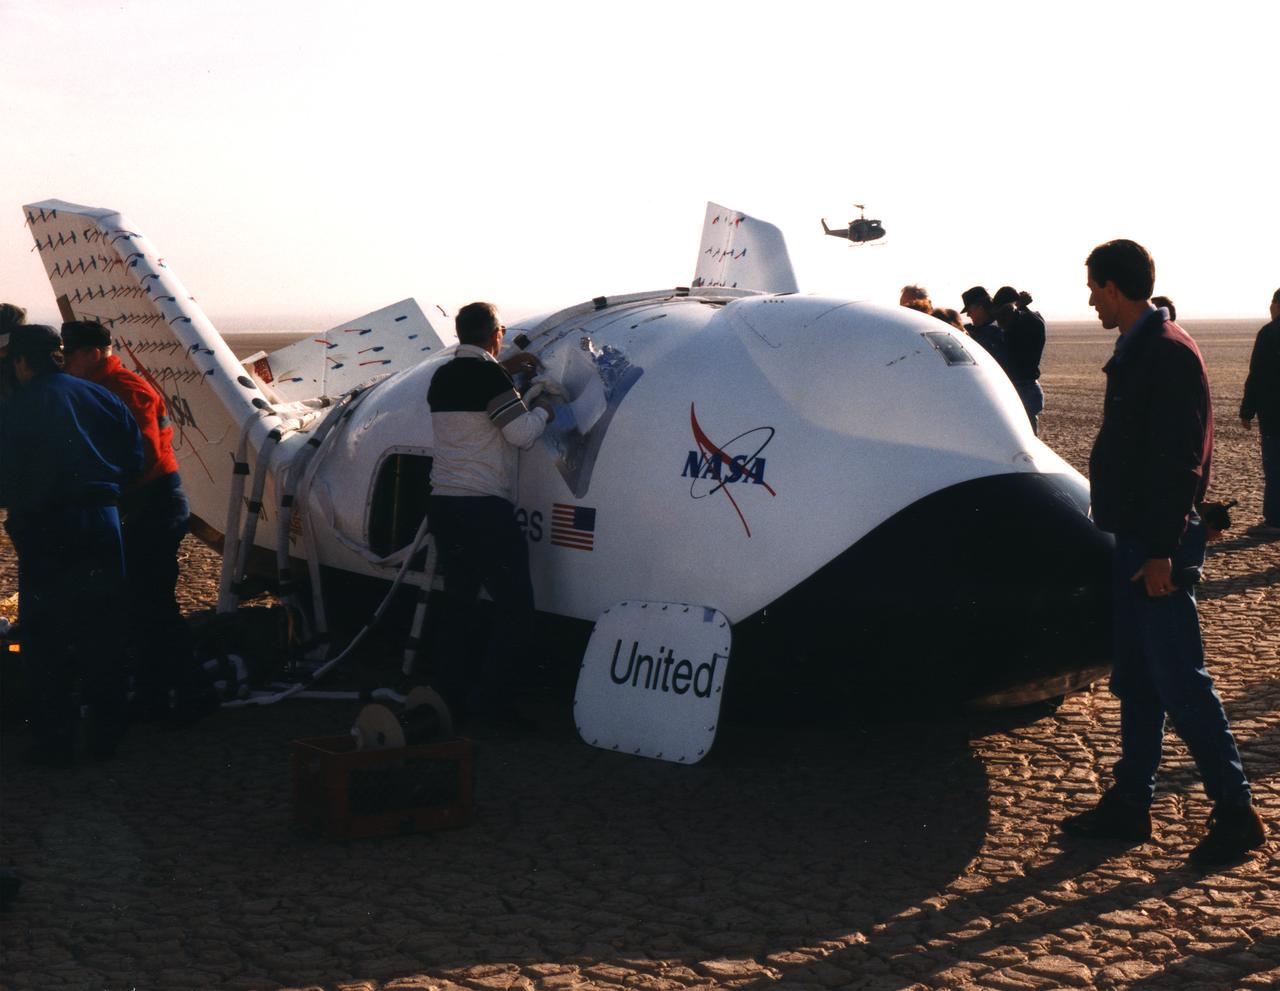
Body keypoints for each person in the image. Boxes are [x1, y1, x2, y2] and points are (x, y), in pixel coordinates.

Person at [1061, 239, 1266, 867]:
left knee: (1181, 678)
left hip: (1158, 544)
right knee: (1140, 679)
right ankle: (1130, 802)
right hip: (1136, 540)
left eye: (1094, 287)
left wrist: (1158, 552)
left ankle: (1235, 810)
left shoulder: (1165, 354)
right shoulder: (1142, 349)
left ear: (1115, 288)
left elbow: (1180, 463)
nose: (1090, 299)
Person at [0, 324, 143, 765]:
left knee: (47, 634)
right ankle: (107, 737)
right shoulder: (101, 396)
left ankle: (54, 742)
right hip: (102, 521)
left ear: (23, 362)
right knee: (103, 626)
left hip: (47, 526)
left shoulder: (19, 407)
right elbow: (134, 459)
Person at [61, 320, 214, 721]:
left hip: (154, 503)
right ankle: (158, 695)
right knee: (143, 604)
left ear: (93, 353)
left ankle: (192, 694)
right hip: (142, 503)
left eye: (70, 354)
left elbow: (141, 460)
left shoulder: (127, 391)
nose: (65, 362)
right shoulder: (100, 386)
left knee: (154, 605)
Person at [426, 302, 551, 725]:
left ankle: (448, 697)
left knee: (458, 604)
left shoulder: (442, 376)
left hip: (445, 505)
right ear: (495, 333)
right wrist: (546, 407)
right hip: (483, 508)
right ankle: (492, 703)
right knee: (516, 608)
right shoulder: (489, 377)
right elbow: (521, 434)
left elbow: (475, 407)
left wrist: (507, 371)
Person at [1239, 290, 1280, 536]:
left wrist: (1247, 410)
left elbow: (1257, 375)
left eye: (1272, 303)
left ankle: (1275, 520)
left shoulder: (1269, 333)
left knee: (1275, 468)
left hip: (1274, 416)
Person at [992, 286, 1047, 433]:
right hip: (1030, 387)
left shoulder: (1019, 324)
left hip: (1022, 388)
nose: (998, 319)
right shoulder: (1035, 320)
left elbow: (1011, 325)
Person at [960, 286, 1008, 370]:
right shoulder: (998, 326)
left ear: (980, 308)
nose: (968, 315)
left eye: (969, 310)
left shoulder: (993, 331)